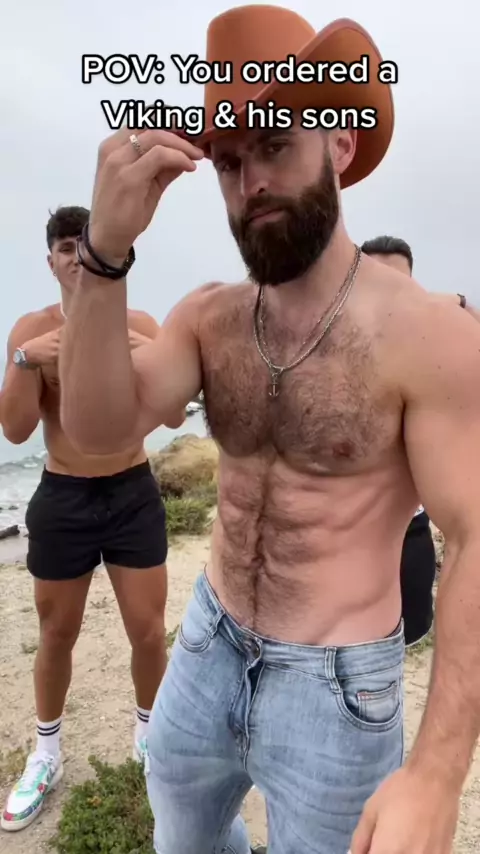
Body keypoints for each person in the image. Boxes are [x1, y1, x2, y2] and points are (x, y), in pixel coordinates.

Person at [58, 7, 480, 854]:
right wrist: (105, 254)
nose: (248, 180)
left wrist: (437, 772)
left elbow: (474, 534)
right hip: (207, 641)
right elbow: (98, 427)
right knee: (184, 838)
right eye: (227, 160)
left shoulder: (430, 335)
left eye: (275, 144)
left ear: (341, 144)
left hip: (338, 690)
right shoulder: (208, 318)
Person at [0, 206, 181, 833]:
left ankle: (148, 739)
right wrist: (25, 359)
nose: (75, 257)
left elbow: (173, 414)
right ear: (50, 261)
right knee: (56, 632)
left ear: (111, 253)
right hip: (64, 495)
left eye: (86, 245)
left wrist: (147, 356)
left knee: (148, 632)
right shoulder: (32, 330)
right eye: (64, 247)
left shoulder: (142, 325)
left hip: (131, 491)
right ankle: (46, 753)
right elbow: (16, 429)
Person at [360, 236, 438, 646]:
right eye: (375, 282)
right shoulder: (318, 352)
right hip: (342, 541)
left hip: (410, 535)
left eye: (399, 285)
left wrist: (457, 302)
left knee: (401, 646)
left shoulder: (433, 353)